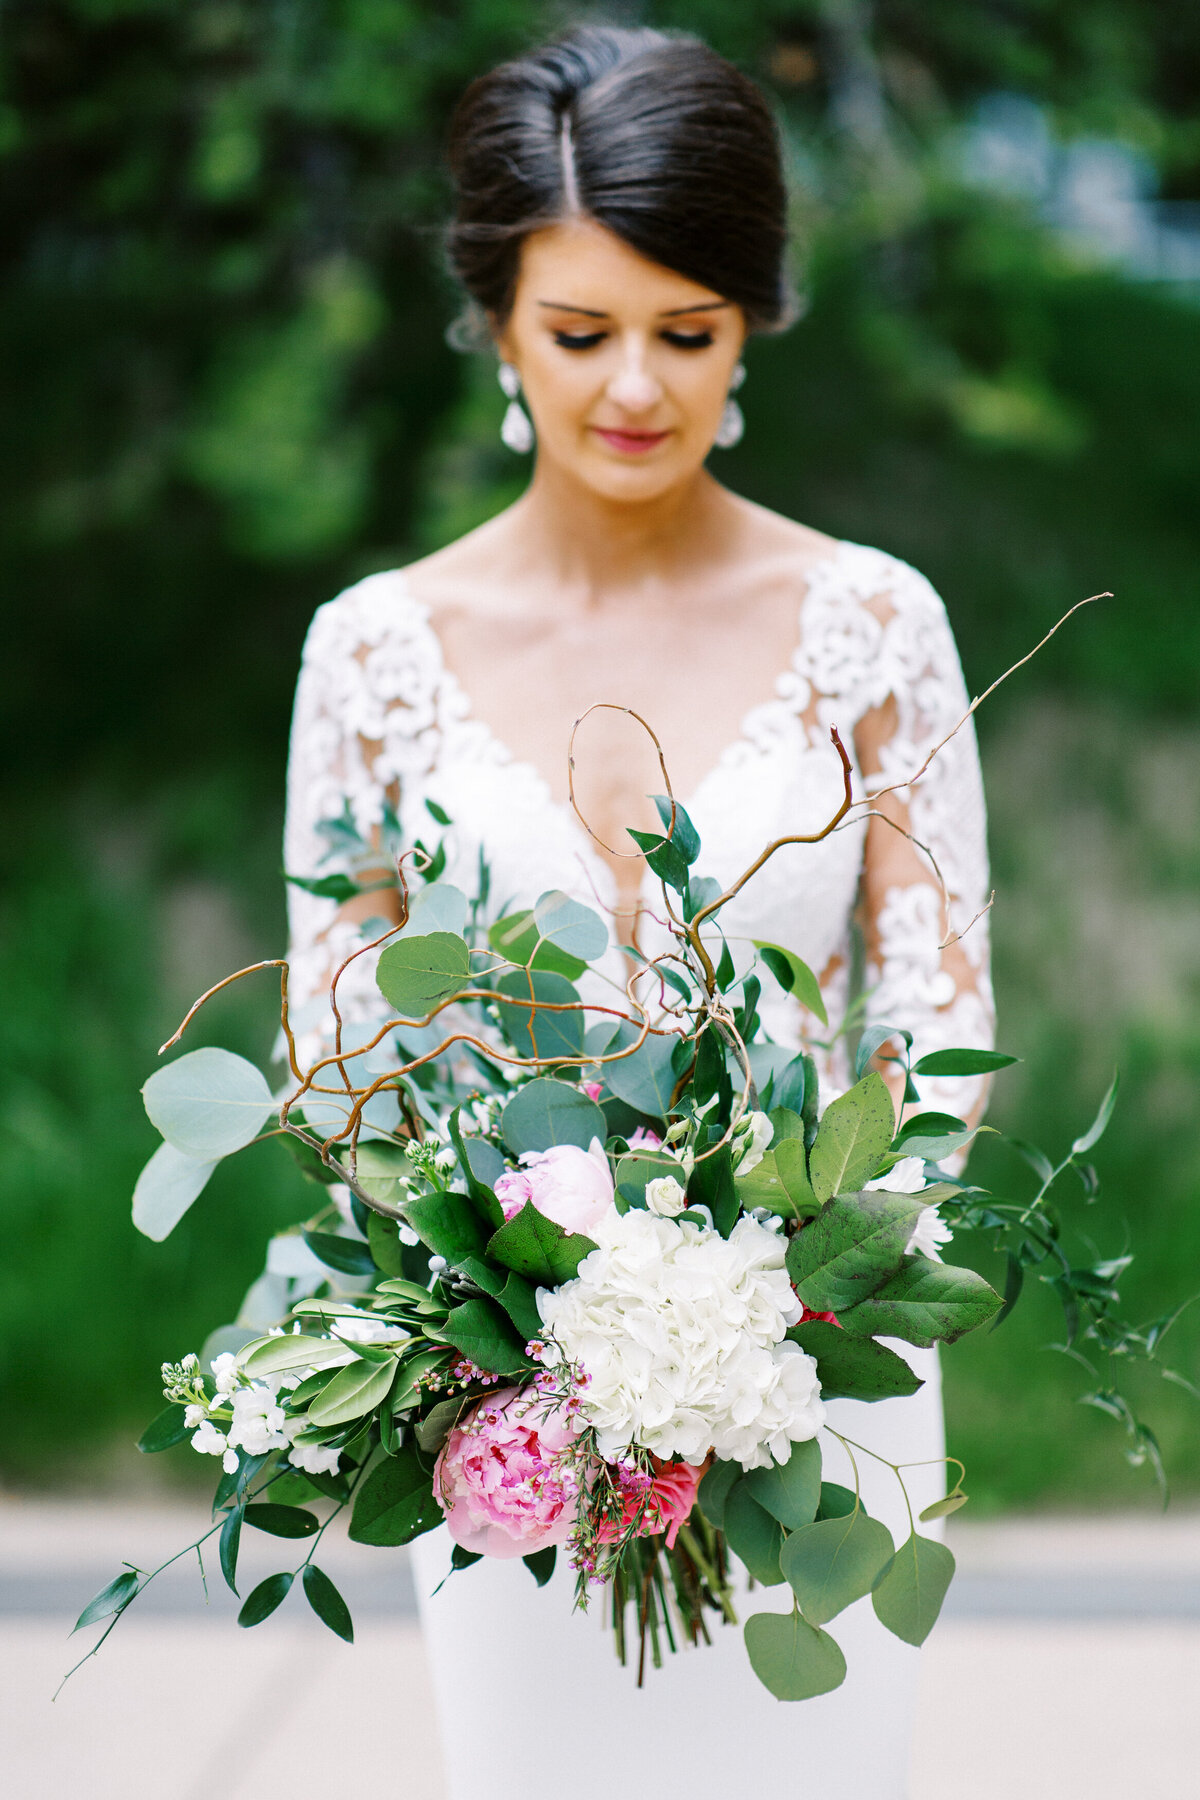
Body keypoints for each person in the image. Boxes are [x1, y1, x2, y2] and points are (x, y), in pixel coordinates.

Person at [284, 25, 994, 1797]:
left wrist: (795, 1286)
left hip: (807, 1382)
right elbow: (337, 1033)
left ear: (751, 319)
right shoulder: (375, 649)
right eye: (580, 332)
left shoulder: (876, 623)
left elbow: (935, 1011)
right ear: (495, 324)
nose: (634, 388)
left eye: (687, 332)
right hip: (499, 1409)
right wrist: (481, 1304)